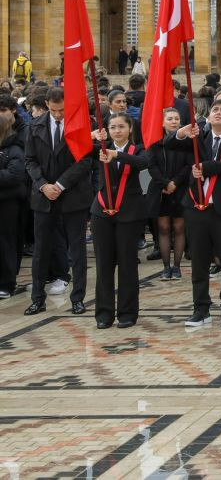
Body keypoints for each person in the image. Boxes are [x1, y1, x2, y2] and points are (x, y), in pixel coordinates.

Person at [167, 96, 221, 328]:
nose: (218, 112)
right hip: (197, 208)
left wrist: (206, 167)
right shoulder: (199, 138)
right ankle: (200, 308)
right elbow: (169, 144)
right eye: (215, 109)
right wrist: (183, 131)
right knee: (199, 260)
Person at [24, 87, 94, 316]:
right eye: (53, 110)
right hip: (43, 196)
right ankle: (37, 298)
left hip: (73, 195)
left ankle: (78, 298)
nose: (57, 115)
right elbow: (30, 161)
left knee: (77, 248)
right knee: (41, 249)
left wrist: (60, 185)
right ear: (46, 104)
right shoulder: (35, 126)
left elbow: (85, 161)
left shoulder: (81, 124)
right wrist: (43, 185)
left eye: (61, 110)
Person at [88, 112, 151, 328]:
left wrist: (116, 155)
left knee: (127, 264)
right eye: (112, 127)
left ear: (130, 128)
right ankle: (104, 314)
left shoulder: (138, 149)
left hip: (129, 214)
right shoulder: (99, 149)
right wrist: (91, 137)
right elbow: (76, 152)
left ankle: (127, 313)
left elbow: (144, 164)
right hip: (101, 212)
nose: (117, 130)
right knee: (104, 265)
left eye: (121, 126)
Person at [148, 108, 191, 280]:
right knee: (164, 228)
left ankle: (177, 266)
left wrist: (175, 182)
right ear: (162, 122)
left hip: (181, 188)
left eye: (176, 118)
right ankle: (166, 267)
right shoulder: (155, 141)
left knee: (179, 227)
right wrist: (165, 183)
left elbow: (189, 165)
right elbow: (151, 165)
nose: (173, 122)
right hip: (160, 188)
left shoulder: (187, 141)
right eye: (170, 119)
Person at [0, 111, 25, 299]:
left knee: (6, 242)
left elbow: (15, 176)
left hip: (7, 203)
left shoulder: (14, 149)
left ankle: (7, 283)